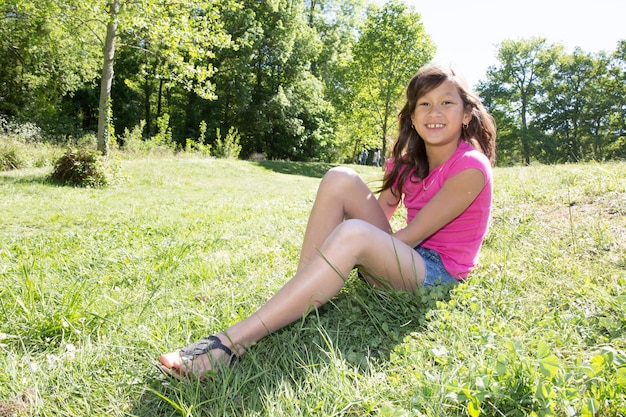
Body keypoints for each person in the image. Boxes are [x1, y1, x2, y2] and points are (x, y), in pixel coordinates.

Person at [159, 64, 497, 379]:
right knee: (340, 177)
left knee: (353, 235)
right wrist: (365, 240)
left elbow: (409, 236)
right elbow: (382, 214)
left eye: (446, 103)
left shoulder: (470, 167)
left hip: (437, 275)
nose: (434, 113)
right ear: (412, 114)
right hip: (404, 258)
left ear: (466, 114)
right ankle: (301, 296)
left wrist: (361, 242)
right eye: (424, 103)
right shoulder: (408, 159)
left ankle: (232, 342)